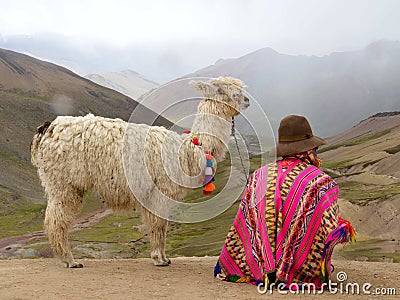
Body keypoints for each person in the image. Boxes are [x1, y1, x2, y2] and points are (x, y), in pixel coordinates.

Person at [214, 115, 355, 290]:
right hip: (303, 271)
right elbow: (329, 229)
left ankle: (265, 266)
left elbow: (245, 221)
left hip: (255, 267)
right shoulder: (321, 183)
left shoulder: (258, 176)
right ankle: (292, 270)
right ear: (309, 149)